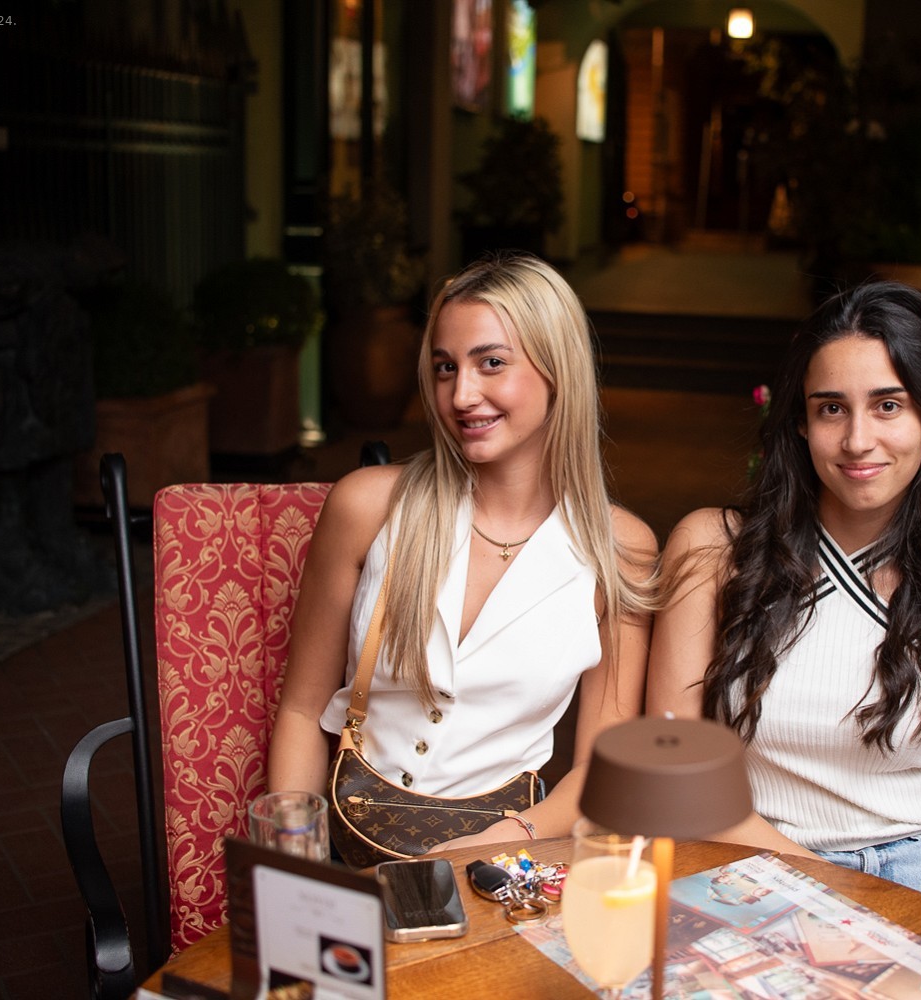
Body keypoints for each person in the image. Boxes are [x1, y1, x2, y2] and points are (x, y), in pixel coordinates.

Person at [647, 281, 921, 956]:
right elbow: (675, 775)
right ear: (800, 424)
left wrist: (906, 957)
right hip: (752, 872)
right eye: (831, 408)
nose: (858, 440)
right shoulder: (713, 551)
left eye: (888, 405)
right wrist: (837, 909)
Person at [268, 253, 656, 852]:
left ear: (559, 370)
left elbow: (602, 769)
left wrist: (506, 838)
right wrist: (294, 864)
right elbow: (300, 711)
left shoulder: (619, 549)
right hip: (352, 843)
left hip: (503, 858)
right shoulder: (368, 507)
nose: (461, 394)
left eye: (491, 363)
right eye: (445, 367)